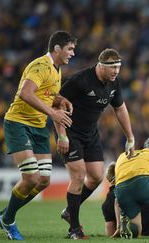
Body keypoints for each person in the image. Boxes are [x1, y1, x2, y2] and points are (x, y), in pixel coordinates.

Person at [0, 31, 77, 240]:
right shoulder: (40, 66)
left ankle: (5, 215)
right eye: (70, 49)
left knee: (44, 180)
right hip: (18, 123)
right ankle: (9, 220)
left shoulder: (56, 71)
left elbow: (45, 94)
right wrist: (53, 112)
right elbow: (26, 93)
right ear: (57, 49)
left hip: (39, 127)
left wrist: (60, 100)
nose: (73, 53)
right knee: (30, 177)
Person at [57, 48, 136, 239]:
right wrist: (62, 135)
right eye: (112, 67)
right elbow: (56, 104)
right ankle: (74, 229)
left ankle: (69, 211)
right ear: (100, 66)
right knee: (78, 175)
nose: (116, 71)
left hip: (90, 133)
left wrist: (130, 138)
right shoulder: (80, 80)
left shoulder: (113, 83)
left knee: (96, 177)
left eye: (118, 67)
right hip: (70, 131)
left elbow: (120, 109)